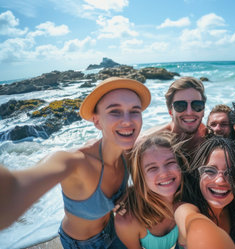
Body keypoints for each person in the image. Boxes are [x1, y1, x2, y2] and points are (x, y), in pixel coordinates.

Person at [0, 77, 151, 248]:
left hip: (113, 230)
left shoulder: (129, 154)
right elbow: (22, 184)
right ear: (96, 121)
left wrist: (128, 194)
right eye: (114, 111)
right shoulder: (78, 163)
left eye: (135, 111)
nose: (127, 120)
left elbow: (157, 134)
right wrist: (12, 191)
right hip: (81, 244)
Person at [174, 136, 235, 249]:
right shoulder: (184, 208)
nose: (220, 181)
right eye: (210, 171)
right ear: (198, 175)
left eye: (231, 173)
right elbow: (191, 221)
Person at [114, 132, 186, 249]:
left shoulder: (189, 196)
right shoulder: (128, 220)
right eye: (152, 168)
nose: (164, 173)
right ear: (140, 177)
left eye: (170, 163)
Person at [144, 77, 207, 156]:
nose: (189, 112)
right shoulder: (150, 143)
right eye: (180, 106)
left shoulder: (208, 136)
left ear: (203, 110)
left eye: (197, 105)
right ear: (170, 112)